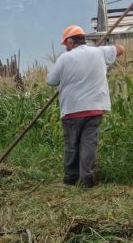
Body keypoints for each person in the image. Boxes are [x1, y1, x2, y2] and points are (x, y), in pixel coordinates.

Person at [47, 25, 125, 188]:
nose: (65, 47)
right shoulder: (100, 52)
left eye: (66, 44)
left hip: (72, 109)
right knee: (89, 144)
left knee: (72, 144)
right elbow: (120, 49)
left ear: (70, 41)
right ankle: (87, 180)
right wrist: (104, 50)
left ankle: (70, 180)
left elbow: (51, 81)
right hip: (95, 108)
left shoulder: (65, 58)